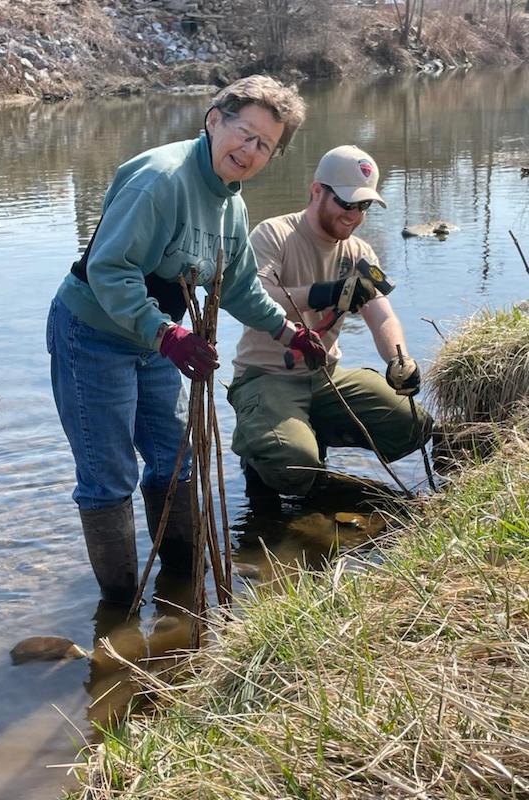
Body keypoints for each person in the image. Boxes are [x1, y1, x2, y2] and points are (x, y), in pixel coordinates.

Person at [46, 75, 327, 604]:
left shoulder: (233, 208)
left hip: (155, 340)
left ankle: (181, 591)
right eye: (243, 132)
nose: (249, 149)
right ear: (214, 119)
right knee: (109, 476)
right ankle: (120, 609)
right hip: (94, 334)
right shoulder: (162, 179)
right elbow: (110, 269)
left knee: (174, 456)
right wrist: (167, 334)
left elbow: (240, 287)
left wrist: (289, 333)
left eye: (265, 144)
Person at [228, 144, 433, 500]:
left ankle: (309, 429)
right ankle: (266, 450)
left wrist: (400, 359)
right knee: (294, 466)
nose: (354, 215)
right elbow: (254, 302)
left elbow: (381, 314)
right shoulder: (272, 235)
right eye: (346, 203)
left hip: (326, 377)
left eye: (363, 206)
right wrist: (323, 293)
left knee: (414, 426)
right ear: (317, 191)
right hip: (266, 376)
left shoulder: (360, 253)